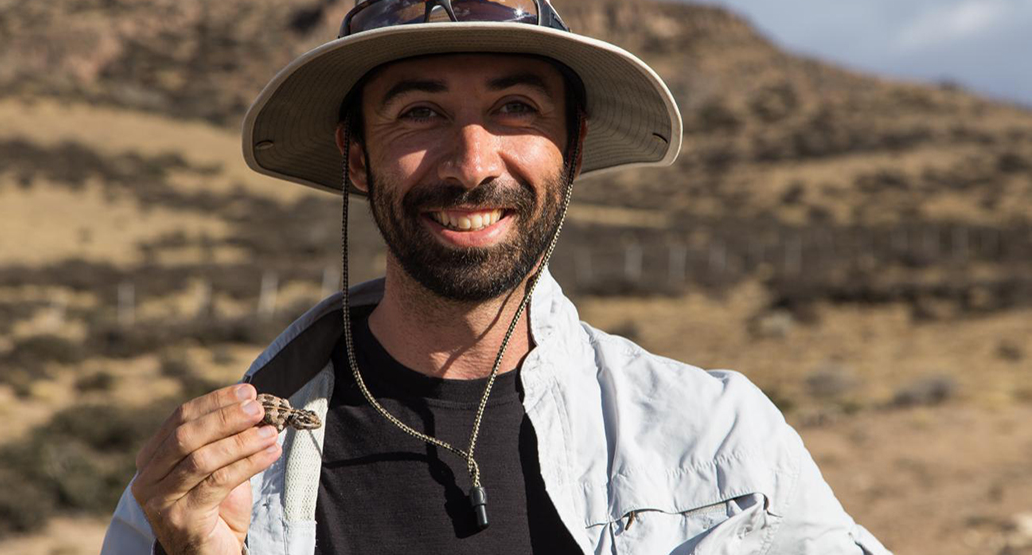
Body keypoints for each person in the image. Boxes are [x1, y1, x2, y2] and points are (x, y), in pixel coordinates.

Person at [102, 0, 891, 553]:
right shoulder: (209, 475)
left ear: (572, 150)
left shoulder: (716, 437)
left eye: (516, 107)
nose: (473, 163)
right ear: (356, 155)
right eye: (419, 113)